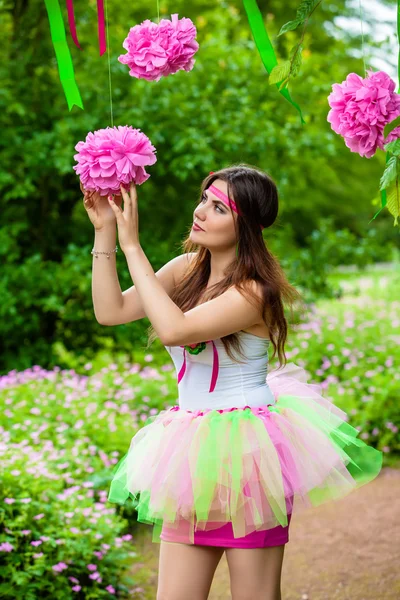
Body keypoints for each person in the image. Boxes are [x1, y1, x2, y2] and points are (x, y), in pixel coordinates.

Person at [83, 165, 383, 600]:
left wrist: (133, 245)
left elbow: (175, 330)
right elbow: (110, 311)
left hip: (248, 456)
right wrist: (107, 232)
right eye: (204, 198)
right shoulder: (186, 268)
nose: (201, 210)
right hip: (189, 456)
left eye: (219, 206)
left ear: (245, 224)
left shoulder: (254, 292)